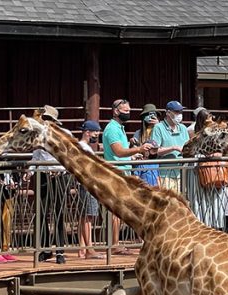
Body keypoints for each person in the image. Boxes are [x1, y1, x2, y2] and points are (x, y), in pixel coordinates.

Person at [102, 99, 150, 253]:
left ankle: (116, 243)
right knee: (116, 211)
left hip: (123, 172)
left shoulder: (120, 128)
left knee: (121, 210)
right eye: (125, 111)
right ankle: (114, 244)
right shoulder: (112, 129)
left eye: (129, 111)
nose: (127, 114)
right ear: (116, 111)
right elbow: (118, 152)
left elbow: (122, 155)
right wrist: (138, 150)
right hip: (116, 174)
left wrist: (132, 158)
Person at [31, 105, 71, 264]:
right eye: (43, 118)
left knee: (59, 213)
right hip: (43, 175)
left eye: (47, 118)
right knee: (41, 213)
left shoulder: (65, 134)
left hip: (59, 175)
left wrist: (62, 169)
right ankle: (45, 248)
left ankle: (60, 250)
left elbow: (69, 156)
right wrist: (31, 171)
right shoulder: (38, 135)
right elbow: (36, 156)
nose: (44, 121)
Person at [76, 121, 104, 259]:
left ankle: (82, 248)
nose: (96, 135)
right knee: (88, 217)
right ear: (87, 132)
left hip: (88, 183)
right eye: (95, 132)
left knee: (86, 216)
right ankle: (89, 249)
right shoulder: (83, 147)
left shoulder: (85, 147)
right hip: (88, 184)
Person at [150, 100, 190, 192]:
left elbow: (188, 147)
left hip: (182, 173)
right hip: (165, 174)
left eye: (181, 112)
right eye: (177, 112)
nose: (179, 114)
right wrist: (173, 148)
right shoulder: (158, 128)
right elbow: (155, 150)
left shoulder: (183, 128)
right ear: (168, 113)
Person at [131, 103, 160, 187]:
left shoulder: (160, 128)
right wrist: (132, 143)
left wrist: (158, 126)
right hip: (141, 164)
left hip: (156, 165)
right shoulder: (138, 133)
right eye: (148, 115)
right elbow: (134, 149)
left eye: (154, 115)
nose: (151, 117)